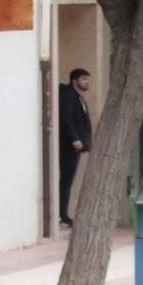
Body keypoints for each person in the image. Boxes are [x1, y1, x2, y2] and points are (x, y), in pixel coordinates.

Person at [58, 68, 92, 230]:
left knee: (68, 181)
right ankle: (62, 215)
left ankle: (63, 214)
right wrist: (75, 139)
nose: (87, 82)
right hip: (70, 146)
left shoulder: (78, 97)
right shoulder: (69, 96)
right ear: (75, 80)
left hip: (77, 146)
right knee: (65, 181)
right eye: (84, 79)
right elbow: (66, 119)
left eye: (87, 79)